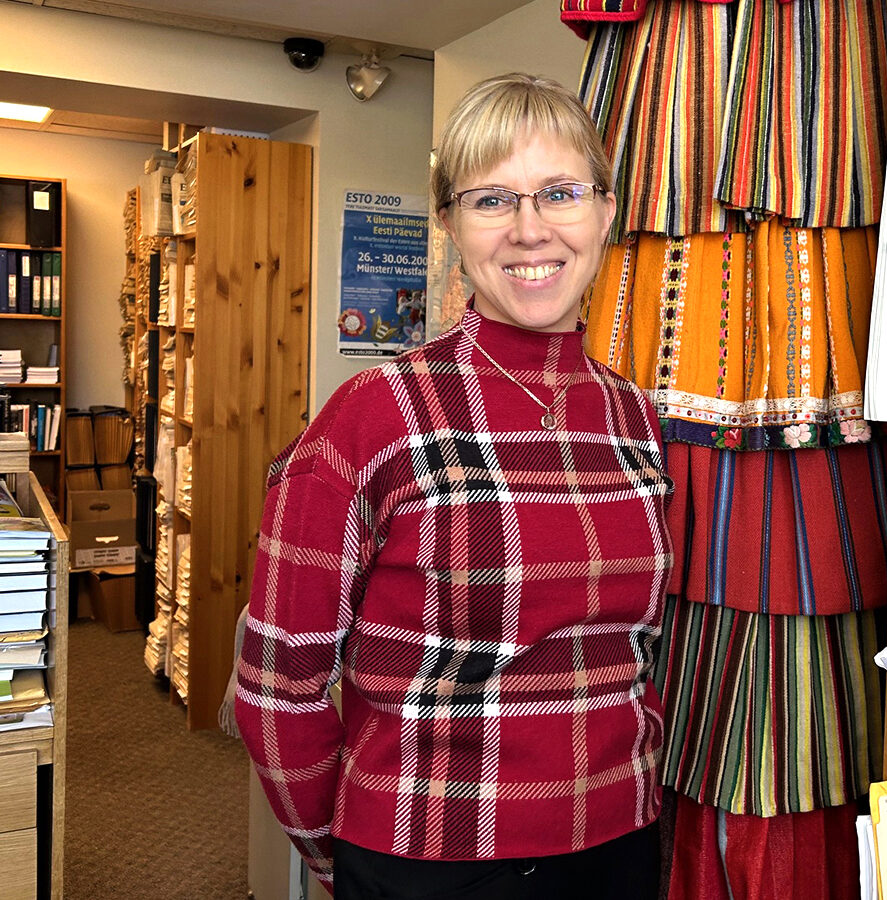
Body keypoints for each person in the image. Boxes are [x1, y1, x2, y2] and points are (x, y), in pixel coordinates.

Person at [235, 72, 672, 900]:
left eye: (561, 193)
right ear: (449, 224)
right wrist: (341, 854)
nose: (531, 229)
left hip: (618, 846)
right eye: (491, 200)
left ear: (606, 211)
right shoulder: (374, 415)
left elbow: (641, 655)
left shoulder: (636, 417)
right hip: (425, 858)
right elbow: (277, 683)